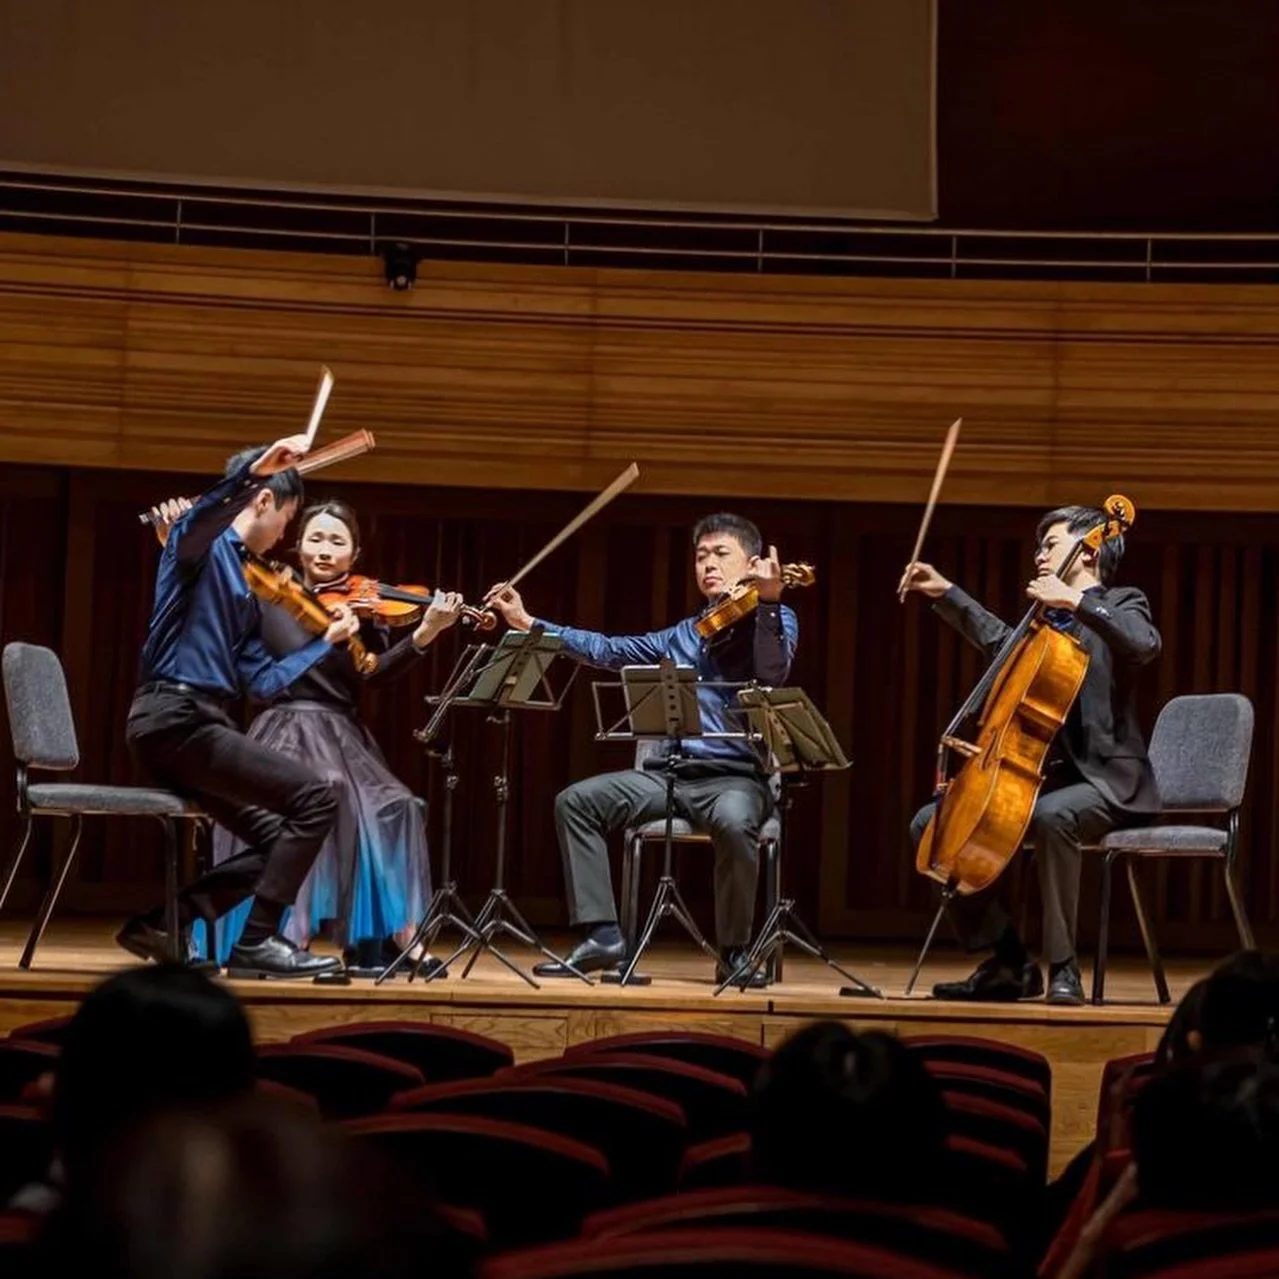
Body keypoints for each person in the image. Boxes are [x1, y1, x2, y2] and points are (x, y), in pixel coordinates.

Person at [486, 512, 798, 984]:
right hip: (667, 776)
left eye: (720, 554)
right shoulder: (681, 635)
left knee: (736, 824)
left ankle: (733, 952)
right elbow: (607, 650)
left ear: (753, 563)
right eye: (700, 556)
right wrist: (529, 622)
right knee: (577, 802)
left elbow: (773, 674)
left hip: (733, 778)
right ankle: (603, 934)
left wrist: (770, 603)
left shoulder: (774, 619)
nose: (708, 564)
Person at [900, 504, 1161, 1005]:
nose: (1039, 555)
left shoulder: (1122, 602)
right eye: (1039, 545)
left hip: (1109, 781)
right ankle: (1009, 962)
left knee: (1051, 817)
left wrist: (1078, 603)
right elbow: (1002, 644)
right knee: (930, 825)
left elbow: (1144, 644)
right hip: (1042, 777)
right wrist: (945, 592)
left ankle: (1064, 967)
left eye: (1051, 543)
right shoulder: (1042, 619)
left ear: (1090, 550)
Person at [119, 439, 361, 980]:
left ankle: (166, 924)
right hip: (174, 719)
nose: (285, 536)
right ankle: (256, 943)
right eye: (288, 520)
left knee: (279, 834)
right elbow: (208, 515)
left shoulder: (250, 587)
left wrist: (326, 642)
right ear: (264, 503)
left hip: (198, 726)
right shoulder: (197, 543)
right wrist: (254, 473)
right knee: (317, 799)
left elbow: (264, 682)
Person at [195, 499, 463, 977]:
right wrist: (327, 636)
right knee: (325, 791)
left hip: (343, 732)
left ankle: (397, 937)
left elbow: (377, 675)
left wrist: (423, 633)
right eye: (316, 538)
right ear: (297, 545)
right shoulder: (272, 594)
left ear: (353, 553)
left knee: (396, 804)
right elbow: (267, 672)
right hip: (286, 727)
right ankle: (282, 932)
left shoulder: (365, 606)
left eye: (337, 542)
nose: (324, 550)